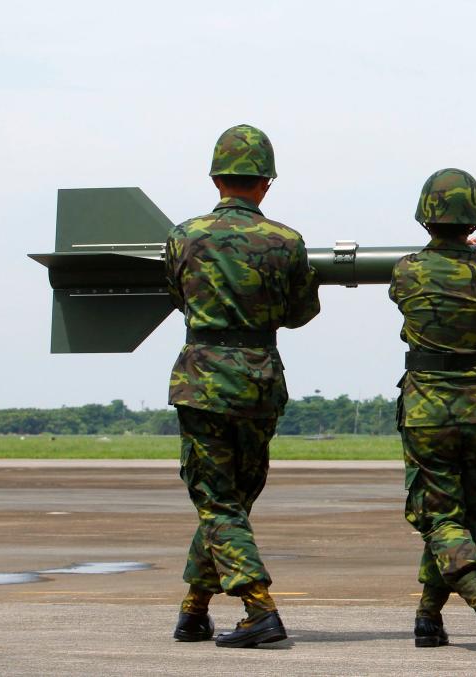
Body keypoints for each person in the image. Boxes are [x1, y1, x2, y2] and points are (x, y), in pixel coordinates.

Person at [166, 124, 320, 648]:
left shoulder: (184, 236)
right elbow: (302, 313)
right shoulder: (287, 242)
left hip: (202, 379)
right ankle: (194, 609)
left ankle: (259, 608)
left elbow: (176, 296)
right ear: (266, 183)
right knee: (232, 499)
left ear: (216, 177)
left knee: (217, 501)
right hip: (258, 379)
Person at [389, 168, 476, 653]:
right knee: (469, 512)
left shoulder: (406, 270)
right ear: (474, 217)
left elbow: (402, 297)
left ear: (425, 214)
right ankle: (427, 615)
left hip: (427, 407)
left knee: (442, 518)